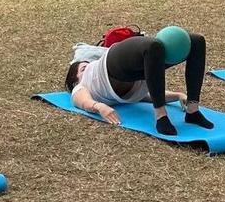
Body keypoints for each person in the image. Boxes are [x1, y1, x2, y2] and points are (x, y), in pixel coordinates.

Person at [64, 31, 213, 136]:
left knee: (196, 41)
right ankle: (161, 117)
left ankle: (193, 111)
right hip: (135, 72)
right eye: (83, 68)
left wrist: (179, 95)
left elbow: (150, 94)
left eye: (87, 64)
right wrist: (100, 108)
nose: (88, 65)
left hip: (113, 62)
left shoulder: (95, 65)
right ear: (75, 80)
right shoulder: (80, 87)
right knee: (154, 48)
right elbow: (83, 101)